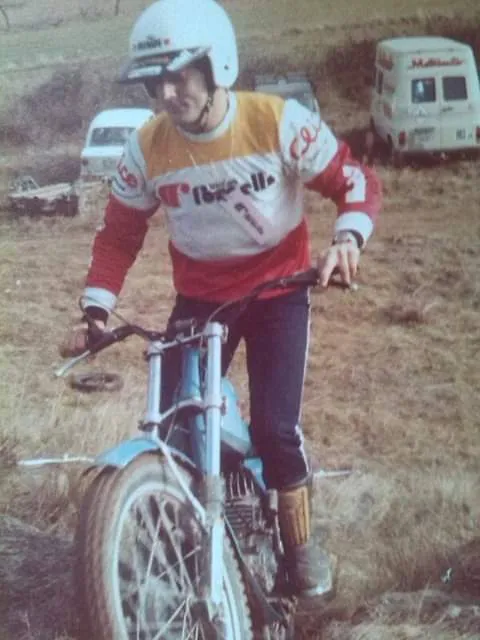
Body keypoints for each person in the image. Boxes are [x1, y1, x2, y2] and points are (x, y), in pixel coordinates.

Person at [61, 0, 382, 598]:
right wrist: (96, 309)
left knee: (276, 428)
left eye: (180, 75)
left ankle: (300, 548)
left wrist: (347, 239)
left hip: (278, 291)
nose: (167, 92)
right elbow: (119, 232)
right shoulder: (147, 147)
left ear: (217, 65)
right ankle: (184, 542)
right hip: (201, 298)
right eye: (155, 80)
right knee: (172, 426)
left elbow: (354, 181)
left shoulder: (275, 122)